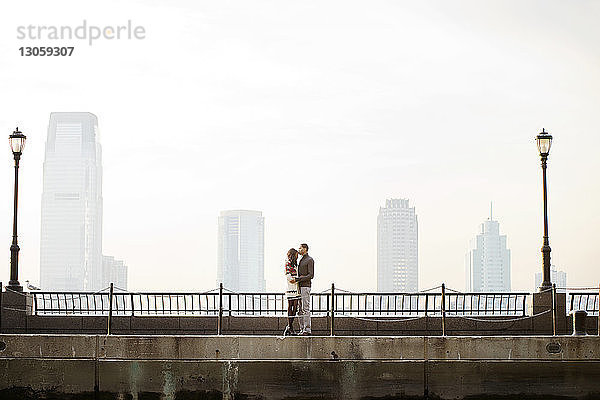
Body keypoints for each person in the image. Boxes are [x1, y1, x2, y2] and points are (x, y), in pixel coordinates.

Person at [296, 243, 314, 335]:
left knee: (305, 308)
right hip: (299, 287)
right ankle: (302, 329)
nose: (298, 249)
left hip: (305, 286)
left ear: (305, 249)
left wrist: (299, 279)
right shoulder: (301, 260)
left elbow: (311, 275)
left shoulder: (309, 260)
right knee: (299, 309)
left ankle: (307, 330)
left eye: (300, 248)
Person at [283, 248, 300, 336]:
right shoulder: (287, 263)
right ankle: (290, 327)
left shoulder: (295, 264)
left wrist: (295, 279)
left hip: (296, 288)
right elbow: (289, 278)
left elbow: (294, 277)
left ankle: (289, 326)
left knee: (295, 307)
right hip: (290, 288)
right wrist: (297, 279)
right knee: (290, 306)